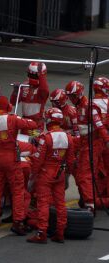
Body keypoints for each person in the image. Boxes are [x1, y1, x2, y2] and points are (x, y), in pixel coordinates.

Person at [0, 96, 37, 234]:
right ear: (7, 107)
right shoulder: (12, 119)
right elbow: (32, 125)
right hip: (11, 157)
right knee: (17, 190)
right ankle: (18, 222)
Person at [27, 108, 75, 244]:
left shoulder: (45, 137)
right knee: (60, 204)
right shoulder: (68, 137)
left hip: (45, 174)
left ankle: (41, 233)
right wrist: (68, 175)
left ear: (48, 120)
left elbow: (38, 159)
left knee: (43, 203)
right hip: (60, 174)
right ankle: (60, 232)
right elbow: (71, 160)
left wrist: (33, 175)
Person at [65, 80, 109, 212]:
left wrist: (107, 140)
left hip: (93, 142)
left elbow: (99, 124)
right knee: (85, 171)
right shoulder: (79, 106)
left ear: (78, 94)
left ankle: (90, 205)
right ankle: (88, 199)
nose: (70, 99)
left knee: (85, 174)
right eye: (69, 96)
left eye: (72, 96)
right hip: (85, 141)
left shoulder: (89, 105)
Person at [10, 62, 49, 134]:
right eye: (30, 75)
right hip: (25, 123)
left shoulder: (42, 90)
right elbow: (13, 102)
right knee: (24, 142)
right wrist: (15, 91)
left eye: (35, 75)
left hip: (37, 125)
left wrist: (41, 74)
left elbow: (45, 90)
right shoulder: (24, 85)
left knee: (34, 142)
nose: (32, 77)